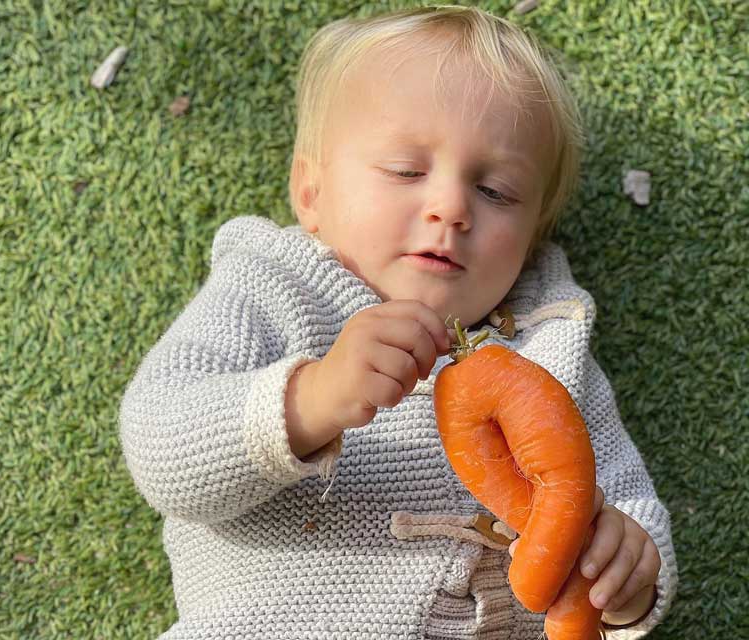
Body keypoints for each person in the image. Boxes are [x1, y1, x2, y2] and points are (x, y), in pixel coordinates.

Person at [119, 5, 677, 639]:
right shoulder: (274, 288)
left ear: (533, 234)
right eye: (406, 171)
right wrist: (310, 399)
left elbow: (624, 496)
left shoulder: (553, 346)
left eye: (495, 192)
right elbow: (157, 441)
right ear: (311, 192)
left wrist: (629, 578)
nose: (450, 208)